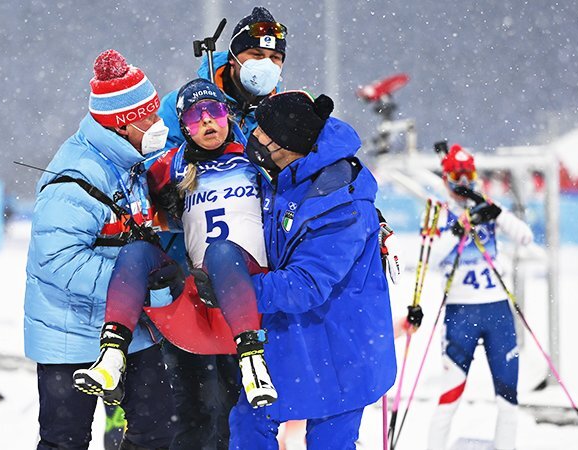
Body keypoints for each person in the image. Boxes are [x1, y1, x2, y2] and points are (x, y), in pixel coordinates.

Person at [74, 79, 277, 448]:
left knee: (221, 249)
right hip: (204, 296)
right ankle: (112, 354)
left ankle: (252, 358)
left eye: (214, 112)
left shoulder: (255, 157)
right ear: (183, 125)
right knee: (135, 253)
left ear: (227, 115)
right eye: (196, 117)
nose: (208, 123)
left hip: (250, 292)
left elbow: (304, 184)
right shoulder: (175, 163)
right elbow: (128, 188)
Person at [225, 91, 396, 449]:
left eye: (261, 134)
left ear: (285, 147)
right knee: (247, 423)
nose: (252, 139)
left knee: (329, 441)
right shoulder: (287, 173)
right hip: (296, 334)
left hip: (343, 350)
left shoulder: (340, 206)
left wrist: (235, 291)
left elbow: (305, 285)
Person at [23, 49, 175, 450]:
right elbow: (58, 260)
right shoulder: (77, 177)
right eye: (150, 118)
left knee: (157, 431)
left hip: (128, 330)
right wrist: (134, 283)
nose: (159, 125)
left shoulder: (128, 163)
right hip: (70, 333)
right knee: (65, 441)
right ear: (123, 125)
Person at [426, 144, 534, 450]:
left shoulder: (486, 207)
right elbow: (431, 259)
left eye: (468, 175)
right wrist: (459, 227)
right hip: (461, 313)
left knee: (508, 399)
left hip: (497, 311)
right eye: (455, 177)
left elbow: (524, 235)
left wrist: (494, 210)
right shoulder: (442, 213)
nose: (463, 183)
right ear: (445, 179)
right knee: (449, 398)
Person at [158, 6, 287, 151]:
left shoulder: (284, 111)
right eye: (257, 55)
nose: (266, 64)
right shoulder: (183, 103)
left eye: (275, 57)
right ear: (232, 58)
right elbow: (156, 163)